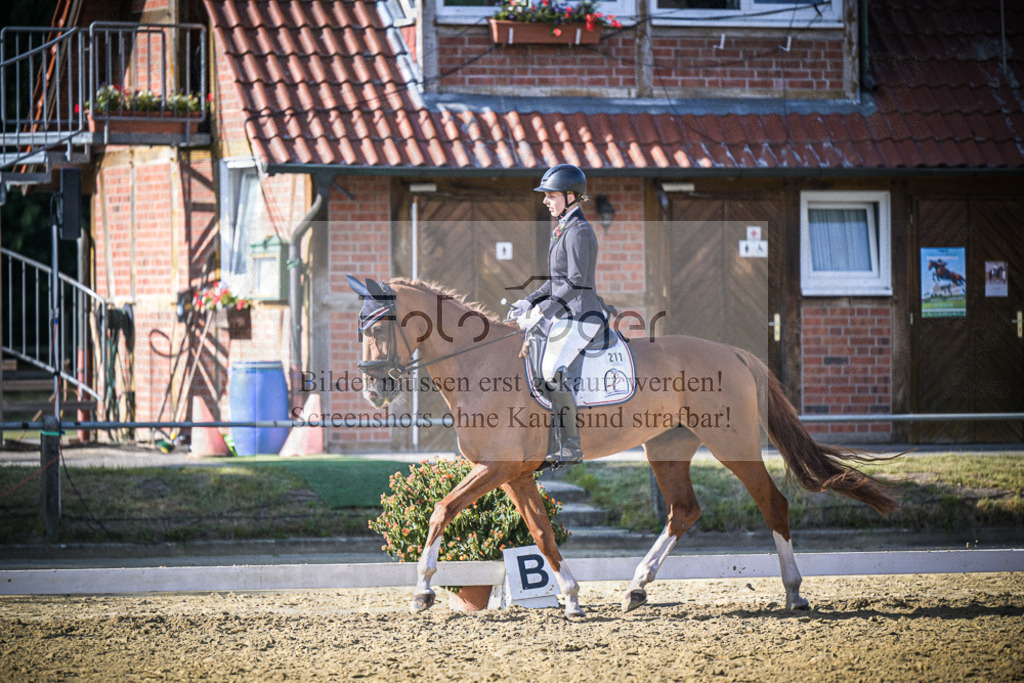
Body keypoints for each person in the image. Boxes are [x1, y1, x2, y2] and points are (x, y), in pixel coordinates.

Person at [509, 164, 606, 466]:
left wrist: (543, 310)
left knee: (552, 370)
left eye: (551, 196)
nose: (545, 201)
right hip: (566, 315)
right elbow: (555, 282)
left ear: (570, 196)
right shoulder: (564, 228)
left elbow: (576, 282)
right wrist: (528, 302)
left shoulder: (578, 231)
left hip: (582, 316)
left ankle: (570, 446)